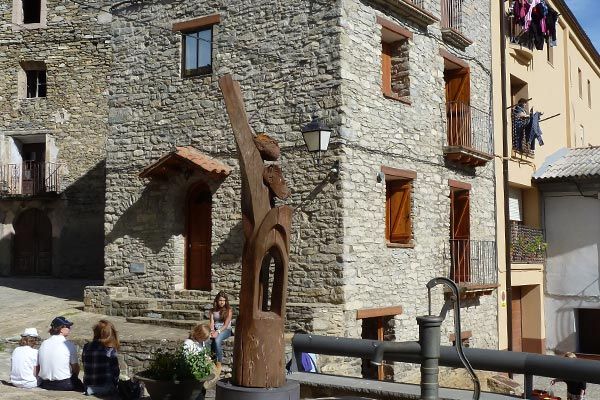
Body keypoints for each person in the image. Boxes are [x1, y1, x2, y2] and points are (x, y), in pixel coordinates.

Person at [38, 316, 84, 391]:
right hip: (64, 384)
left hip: (45, 383)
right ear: (61, 329)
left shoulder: (44, 343)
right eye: (68, 326)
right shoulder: (68, 345)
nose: (70, 328)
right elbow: (75, 368)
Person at [82, 319, 120, 396]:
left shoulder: (86, 346)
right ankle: (97, 390)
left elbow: (84, 364)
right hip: (105, 386)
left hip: (88, 384)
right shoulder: (110, 350)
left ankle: (92, 390)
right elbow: (116, 372)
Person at [209, 291, 233, 376]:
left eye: (223, 300)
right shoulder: (212, 310)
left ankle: (218, 363)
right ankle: (209, 360)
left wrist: (217, 332)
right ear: (216, 300)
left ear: (226, 301)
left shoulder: (229, 310)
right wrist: (212, 331)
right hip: (215, 329)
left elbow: (226, 325)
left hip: (225, 330)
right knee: (207, 339)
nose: (222, 302)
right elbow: (212, 322)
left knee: (217, 340)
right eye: (220, 300)